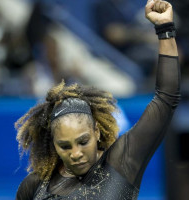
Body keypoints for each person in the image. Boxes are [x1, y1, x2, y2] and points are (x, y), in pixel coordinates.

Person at [15, 0, 180, 199]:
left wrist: (165, 29)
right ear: (53, 144)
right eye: (65, 146)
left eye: (83, 141)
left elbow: (166, 97)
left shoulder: (122, 162)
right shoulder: (34, 186)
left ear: (96, 132)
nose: (75, 154)